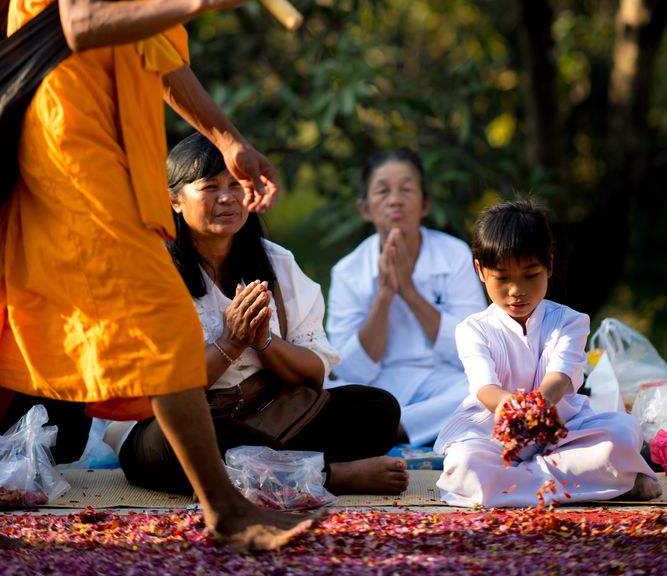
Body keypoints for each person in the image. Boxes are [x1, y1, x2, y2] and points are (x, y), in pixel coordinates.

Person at [0, 0, 317, 549]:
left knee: (18, 318)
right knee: (165, 316)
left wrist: (226, 137)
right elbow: (79, 21)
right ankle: (227, 514)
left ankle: (223, 509)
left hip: (120, 127)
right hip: (63, 126)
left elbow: (155, 51)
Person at [104, 132, 408, 497]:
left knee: (378, 409)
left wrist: (263, 340)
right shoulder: (150, 270)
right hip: (186, 419)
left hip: (269, 413)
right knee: (181, 439)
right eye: (210, 187)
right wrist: (230, 342)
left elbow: (313, 375)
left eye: (236, 185)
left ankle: (271, 469)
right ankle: (328, 477)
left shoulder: (277, 262)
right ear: (174, 199)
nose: (227, 198)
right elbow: (161, 390)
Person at [435, 197, 661, 507]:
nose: (517, 290)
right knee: (463, 466)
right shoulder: (472, 329)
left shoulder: (570, 321)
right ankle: (606, 482)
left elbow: (558, 379)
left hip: (564, 431)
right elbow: (484, 387)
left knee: (624, 431)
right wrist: (509, 407)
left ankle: (518, 485)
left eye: (530, 275)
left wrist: (538, 407)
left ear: (549, 266)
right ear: (480, 270)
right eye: (502, 278)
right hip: (494, 435)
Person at [326, 148, 486, 448]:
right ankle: (422, 427)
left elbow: (474, 348)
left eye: (407, 189)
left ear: (425, 204)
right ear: (365, 208)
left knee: (490, 387)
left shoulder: (454, 255)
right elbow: (348, 369)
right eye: (383, 191)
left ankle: (395, 429)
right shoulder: (348, 271)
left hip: (442, 382)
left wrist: (410, 293)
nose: (395, 200)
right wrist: (385, 296)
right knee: (328, 393)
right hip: (379, 387)